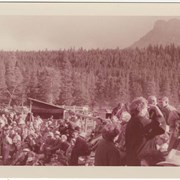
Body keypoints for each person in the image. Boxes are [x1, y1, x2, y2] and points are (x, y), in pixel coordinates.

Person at [125, 97, 164, 166]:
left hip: (132, 159)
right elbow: (162, 127)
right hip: (141, 161)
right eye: (146, 108)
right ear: (141, 109)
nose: (147, 110)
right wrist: (156, 108)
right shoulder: (143, 121)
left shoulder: (131, 121)